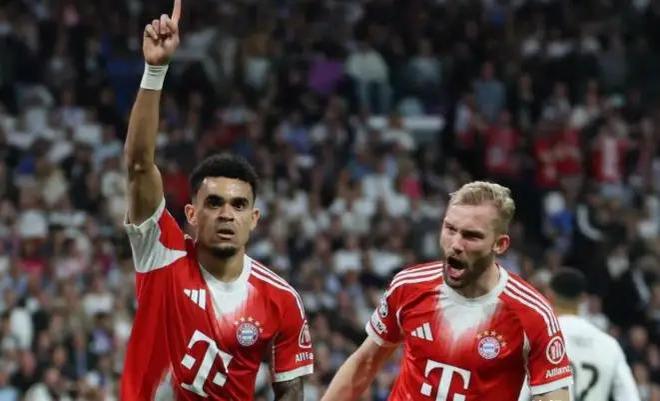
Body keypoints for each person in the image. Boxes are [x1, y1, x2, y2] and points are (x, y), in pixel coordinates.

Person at [120, 1, 313, 399]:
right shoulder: (162, 254)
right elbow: (139, 165)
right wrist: (155, 70)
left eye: (239, 205)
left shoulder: (280, 300)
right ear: (191, 213)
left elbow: (291, 394)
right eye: (214, 203)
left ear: (254, 218)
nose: (227, 214)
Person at [321, 181, 573, 401]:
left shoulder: (532, 314)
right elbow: (365, 363)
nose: (456, 244)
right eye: (450, 229)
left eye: (471, 236)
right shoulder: (409, 286)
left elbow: (553, 396)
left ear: (500, 244)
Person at [518, 268, 640, 401]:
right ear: (583, 298)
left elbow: (519, 395)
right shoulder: (609, 344)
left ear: (549, 295)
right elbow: (630, 397)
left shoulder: (539, 340)